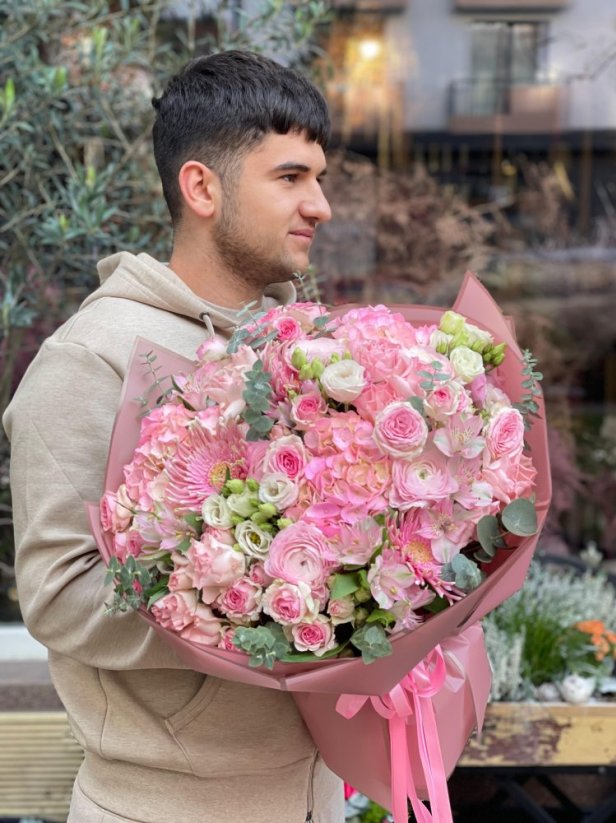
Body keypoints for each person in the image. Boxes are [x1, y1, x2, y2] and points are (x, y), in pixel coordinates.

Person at [3, 50, 342, 823]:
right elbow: (57, 595)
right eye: (290, 177)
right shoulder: (90, 356)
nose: (319, 205)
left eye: (319, 179)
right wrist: (267, 599)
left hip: (319, 794)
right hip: (163, 806)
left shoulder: (304, 349)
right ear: (201, 187)